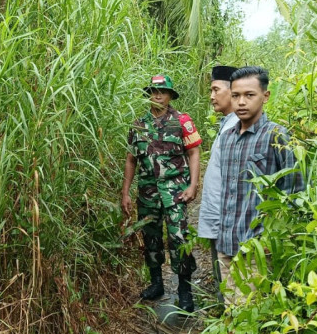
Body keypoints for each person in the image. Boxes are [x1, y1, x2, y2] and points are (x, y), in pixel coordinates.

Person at [216, 66, 302, 305]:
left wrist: (271, 239)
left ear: (265, 96)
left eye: (249, 95)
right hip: (227, 244)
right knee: (231, 309)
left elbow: (295, 192)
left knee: (250, 310)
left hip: (257, 249)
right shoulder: (227, 138)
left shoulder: (277, 136)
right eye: (235, 95)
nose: (241, 102)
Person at [121, 74, 202, 312]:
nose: (158, 96)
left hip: (175, 191)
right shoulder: (138, 124)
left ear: (170, 96)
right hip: (147, 193)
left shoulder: (182, 121)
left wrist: (193, 185)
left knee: (179, 238)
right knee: (151, 237)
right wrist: (125, 192)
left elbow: (194, 153)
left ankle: (185, 290)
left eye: (163, 92)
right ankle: (156, 283)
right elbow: (131, 159)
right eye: (154, 92)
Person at [197, 65, 239, 300]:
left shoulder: (236, 128)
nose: (211, 96)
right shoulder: (227, 124)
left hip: (227, 221)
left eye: (216, 90)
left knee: (229, 282)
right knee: (222, 279)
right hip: (219, 216)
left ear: (233, 91)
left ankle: (229, 320)